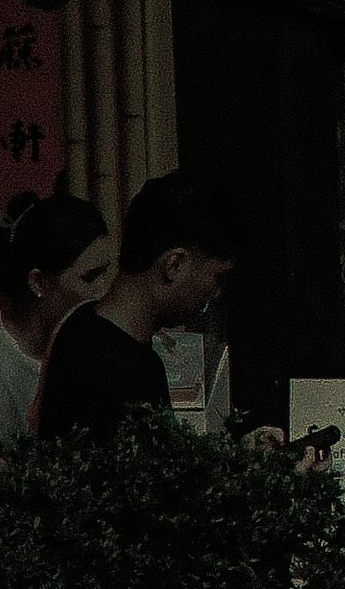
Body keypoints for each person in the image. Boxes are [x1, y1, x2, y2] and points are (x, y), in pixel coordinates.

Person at [35, 177, 247, 441]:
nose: (216, 293)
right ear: (175, 264)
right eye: (217, 278)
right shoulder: (129, 370)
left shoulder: (77, 323)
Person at [0, 190, 112, 498]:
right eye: (90, 278)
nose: (102, 293)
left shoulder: (56, 341)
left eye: (106, 274)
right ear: (38, 282)